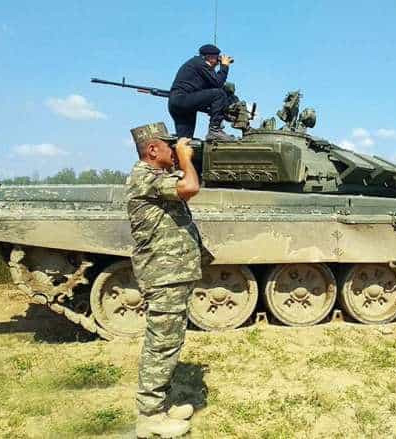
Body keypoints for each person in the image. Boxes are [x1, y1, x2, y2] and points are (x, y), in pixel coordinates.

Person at [126, 122, 202, 438]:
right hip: (164, 274)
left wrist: (180, 159)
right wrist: (184, 158)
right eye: (169, 146)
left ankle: (161, 404)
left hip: (172, 273)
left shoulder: (157, 178)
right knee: (161, 345)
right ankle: (149, 417)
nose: (174, 150)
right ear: (152, 149)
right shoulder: (145, 177)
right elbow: (190, 187)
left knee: (170, 342)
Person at [168, 44, 237, 141]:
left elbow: (211, 87)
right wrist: (224, 66)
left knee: (185, 141)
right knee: (219, 94)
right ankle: (215, 130)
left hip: (178, 104)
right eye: (216, 59)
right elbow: (218, 83)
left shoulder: (195, 64)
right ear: (209, 57)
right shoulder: (200, 63)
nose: (217, 62)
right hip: (183, 99)